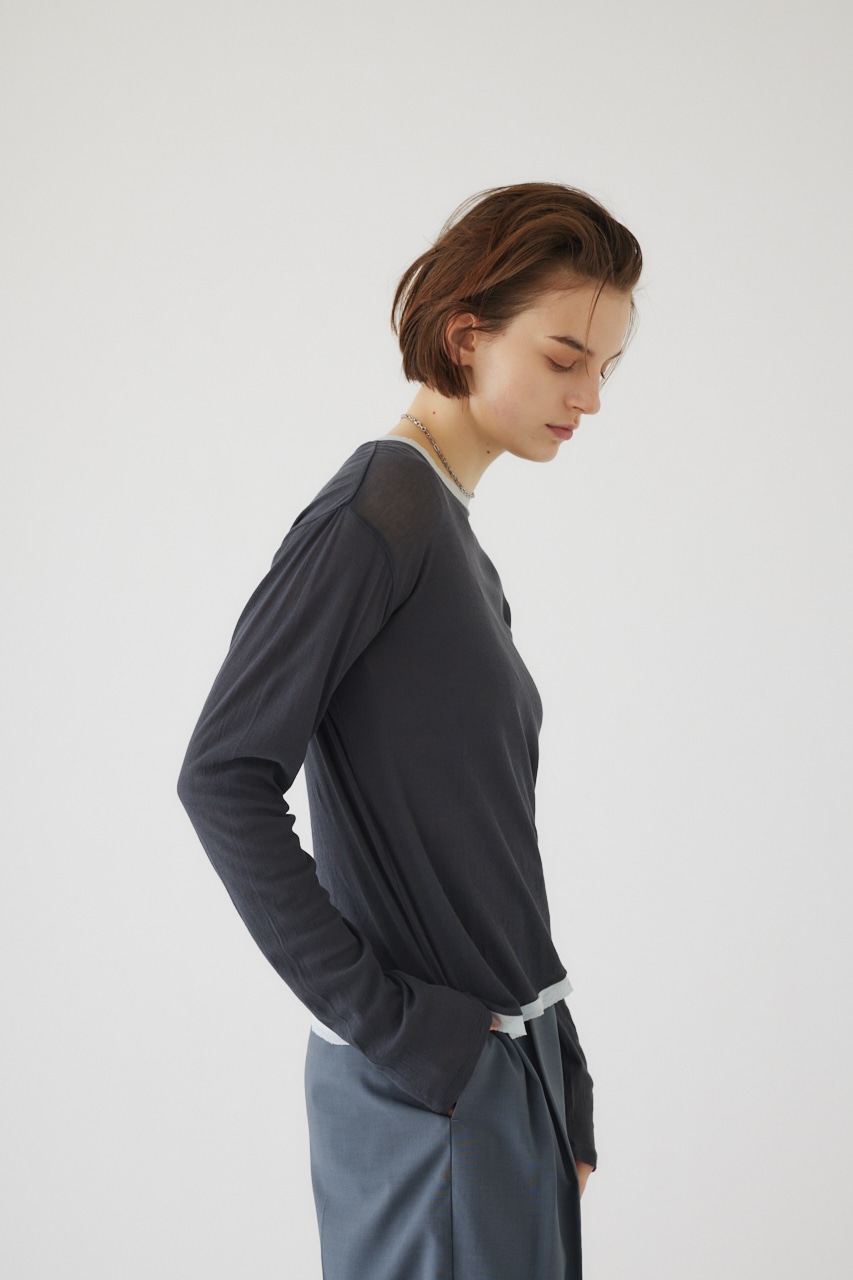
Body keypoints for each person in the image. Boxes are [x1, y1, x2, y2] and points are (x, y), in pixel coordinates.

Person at [177, 181, 642, 1280]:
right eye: (564, 357)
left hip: (500, 1074)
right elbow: (222, 774)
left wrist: (557, 1062)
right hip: (430, 1097)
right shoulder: (373, 517)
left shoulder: (447, 534)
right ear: (464, 335)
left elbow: (482, 841)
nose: (588, 397)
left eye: (607, 369)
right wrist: (394, 1026)